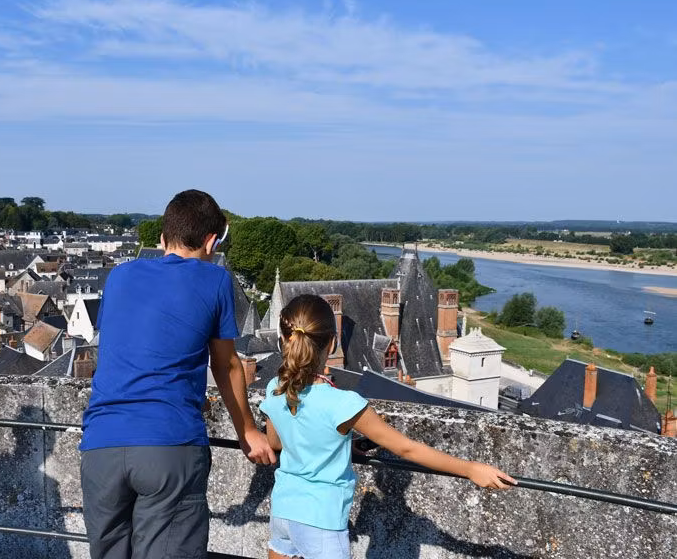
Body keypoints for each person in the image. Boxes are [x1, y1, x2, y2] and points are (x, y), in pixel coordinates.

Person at [80, 189, 276, 559]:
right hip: (169, 444)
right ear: (211, 242)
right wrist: (248, 431)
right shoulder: (215, 279)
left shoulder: (119, 277)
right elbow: (226, 364)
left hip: (101, 446)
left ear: (162, 238)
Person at [260, 294, 516, 559]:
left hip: (283, 510)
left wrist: (340, 446)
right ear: (333, 343)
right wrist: (470, 469)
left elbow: (277, 442)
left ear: (285, 341)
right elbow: (406, 449)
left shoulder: (275, 388)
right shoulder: (344, 404)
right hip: (320, 519)